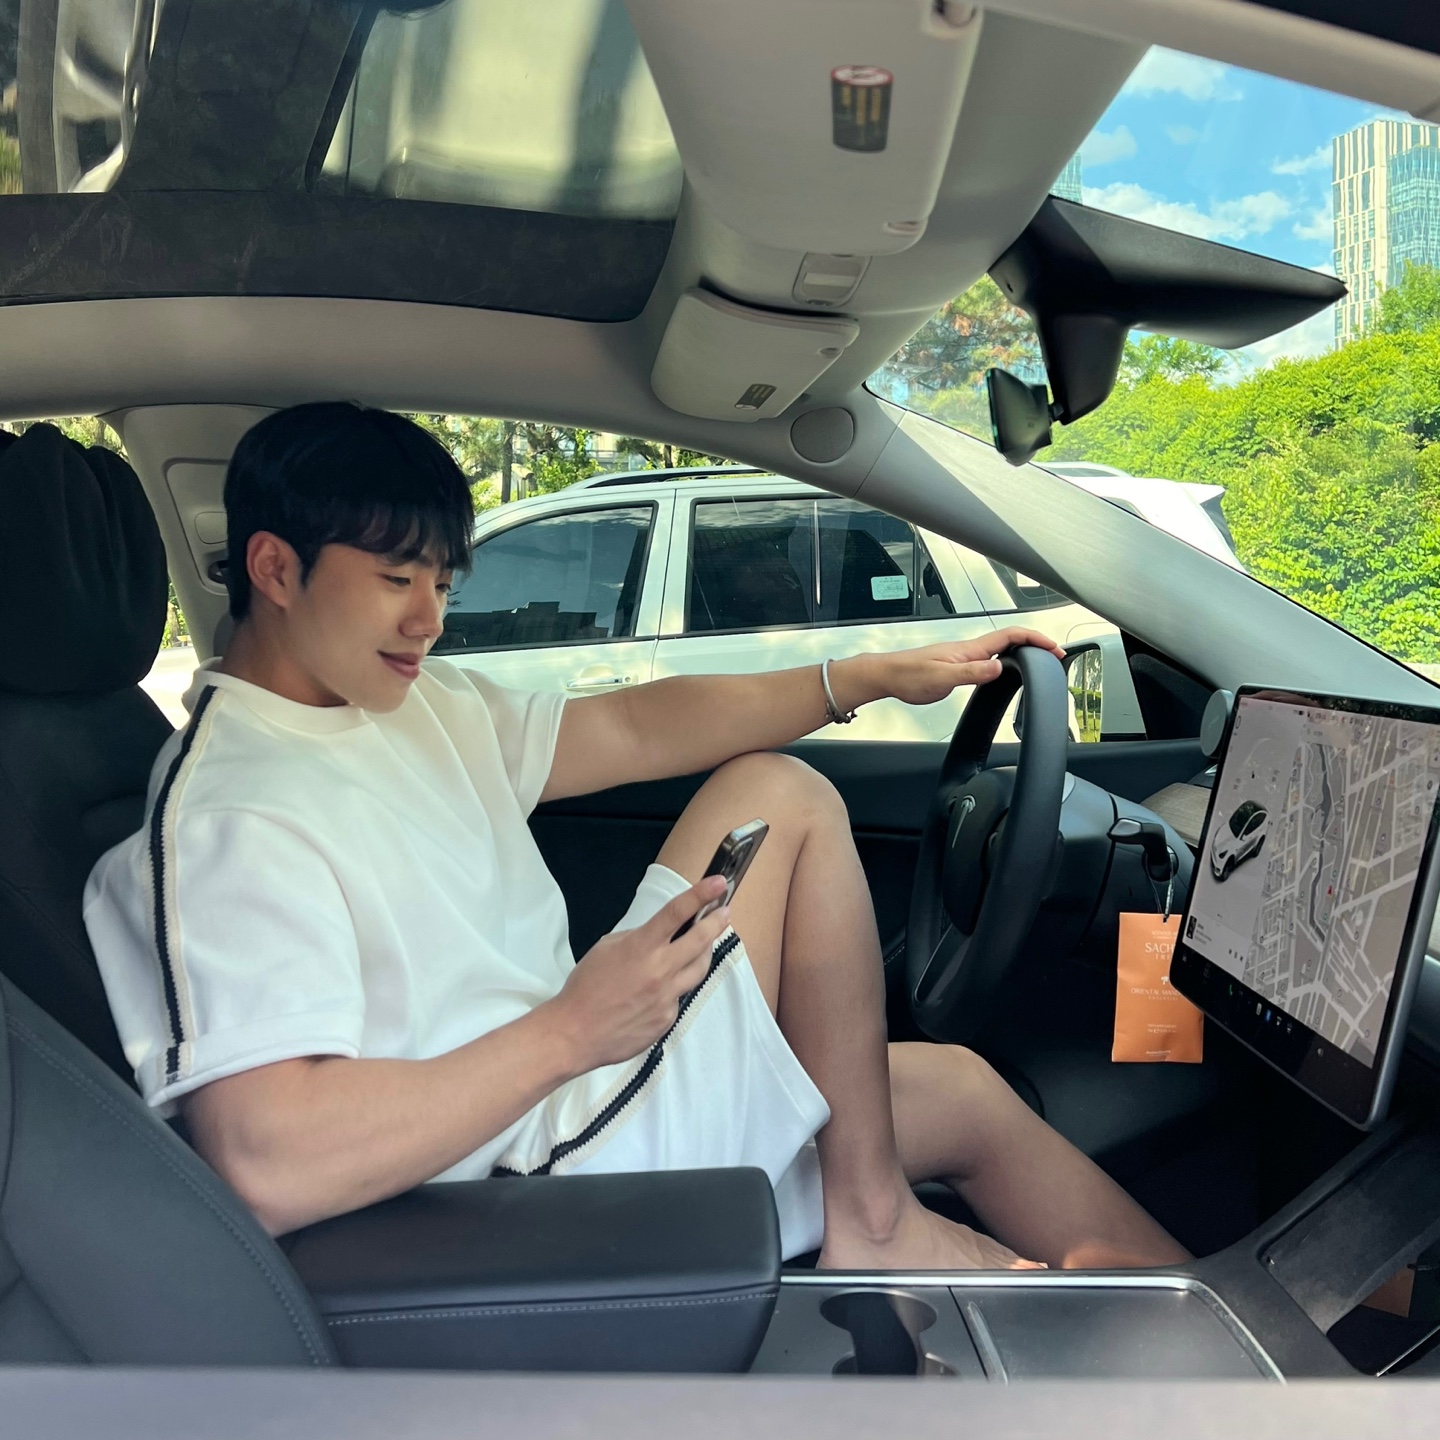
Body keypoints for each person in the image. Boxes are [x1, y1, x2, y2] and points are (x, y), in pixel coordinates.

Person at [85, 402, 1186, 1272]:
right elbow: (267, 1161)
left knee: (957, 1091)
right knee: (786, 799)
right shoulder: (231, 812)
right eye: (394, 580)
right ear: (276, 570)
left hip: (575, 1104)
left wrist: (866, 676)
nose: (429, 618)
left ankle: (1239, 1363)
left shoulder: (410, 704)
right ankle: (876, 1221)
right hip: (530, 1180)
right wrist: (571, 1029)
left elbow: (632, 723)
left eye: (442, 583)